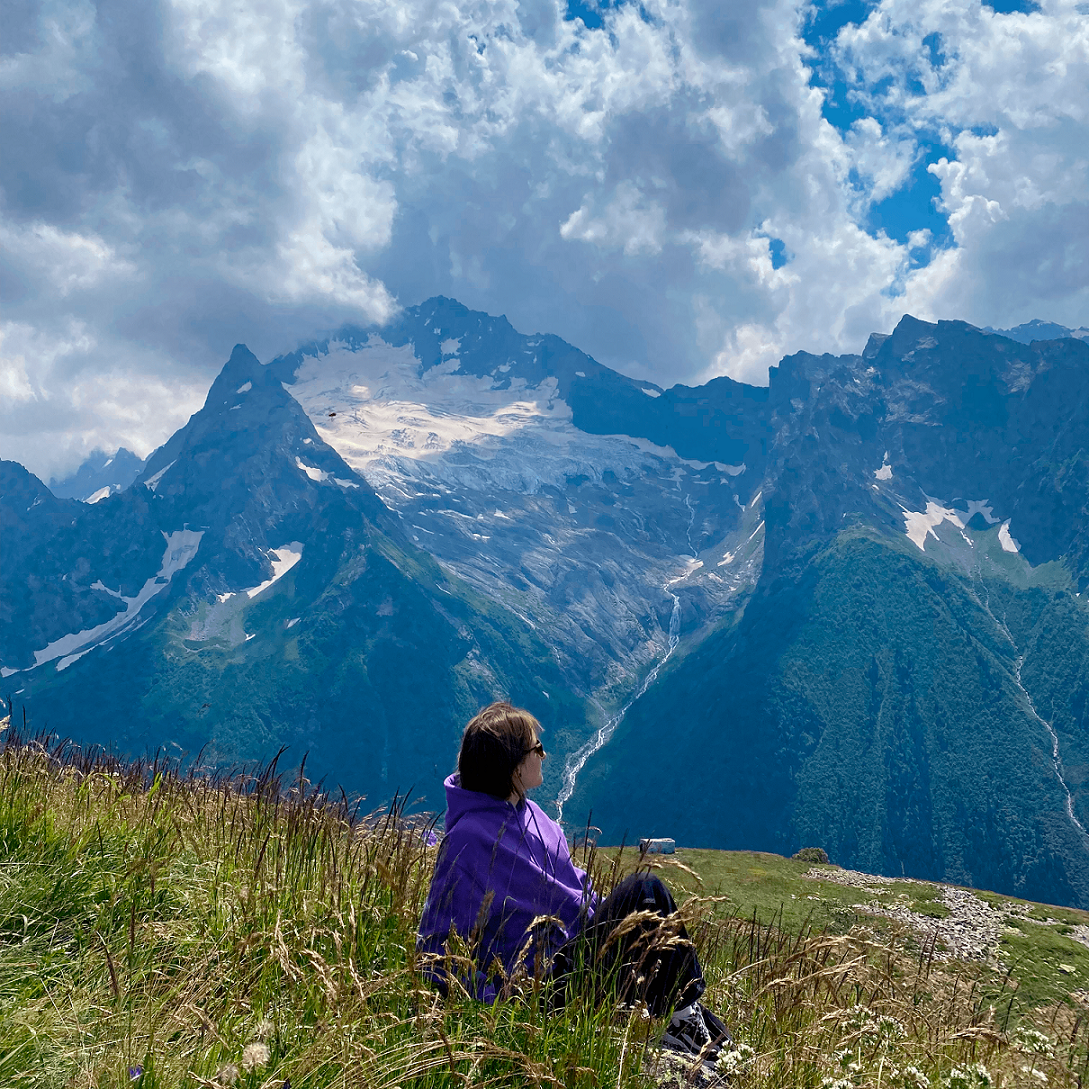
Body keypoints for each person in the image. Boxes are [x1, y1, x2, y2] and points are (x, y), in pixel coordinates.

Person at [415, 701, 731, 1058]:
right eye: (537, 748)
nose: (544, 755)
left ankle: (685, 1016)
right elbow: (434, 949)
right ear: (513, 765)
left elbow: (575, 888)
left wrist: (616, 923)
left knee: (643, 904)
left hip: (573, 957)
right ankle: (683, 1023)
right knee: (645, 889)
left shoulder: (533, 815)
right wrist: (500, 1011)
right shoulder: (467, 842)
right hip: (538, 988)